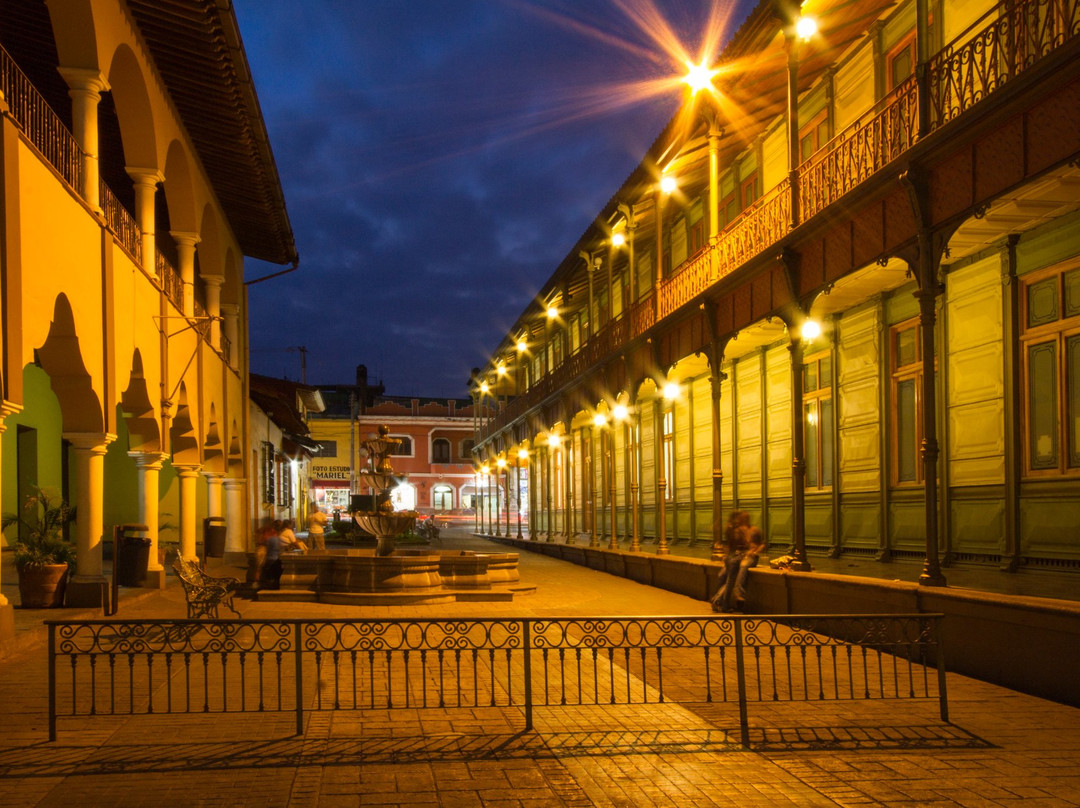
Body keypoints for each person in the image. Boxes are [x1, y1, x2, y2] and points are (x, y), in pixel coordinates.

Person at [709, 510, 765, 613]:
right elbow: (735, 544)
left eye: (744, 518)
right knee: (725, 577)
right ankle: (719, 600)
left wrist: (753, 550)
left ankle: (719, 600)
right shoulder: (738, 529)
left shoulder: (751, 530)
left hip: (740, 557)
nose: (742, 520)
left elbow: (757, 544)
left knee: (729, 579)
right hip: (737, 557)